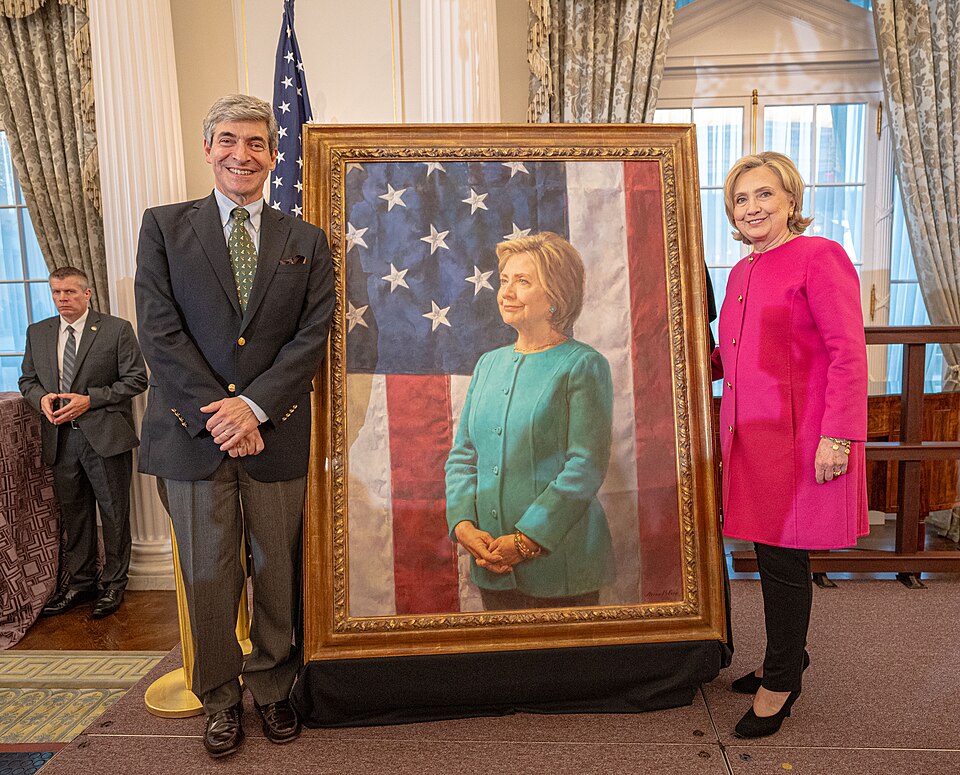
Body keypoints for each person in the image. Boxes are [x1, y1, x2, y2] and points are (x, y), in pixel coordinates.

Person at [134, 94, 334, 759]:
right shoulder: (164, 227)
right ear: (208, 148)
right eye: (227, 140)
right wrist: (222, 414)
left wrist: (253, 407)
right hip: (192, 438)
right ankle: (219, 699)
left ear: (274, 156)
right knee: (209, 577)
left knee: (277, 572)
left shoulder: (306, 240)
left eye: (255, 143)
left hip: (275, 434)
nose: (240, 155)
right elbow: (160, 334)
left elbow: (312, 337)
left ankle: (274, 687)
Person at [712, 152, 868, 738]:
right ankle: (788, 655)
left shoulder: (819, 256)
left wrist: (840, 436)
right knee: (769, 553)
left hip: (804, 436)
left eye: (764, 196)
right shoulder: (741, 271)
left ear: (790, 200)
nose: (752, 208)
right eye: (741, 199)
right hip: (749, 438)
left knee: (781, 560)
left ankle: (782, 678)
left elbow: (848, 352)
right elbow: (736, 354)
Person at [445, 232, 614, 610]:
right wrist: (463, 526)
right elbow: (463, 455)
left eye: (522, 281)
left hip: (562, 566)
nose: (506, 291)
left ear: (555, 295)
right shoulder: (488, 363)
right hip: (489, 560)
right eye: (504, 280)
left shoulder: (584, 364)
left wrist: (524, 542)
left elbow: (585, 466)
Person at [19, 267, 147, 619]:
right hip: (61, 440)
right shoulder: (38, 332)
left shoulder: (116, 329)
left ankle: (114, 586)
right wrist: (40, 398)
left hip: (104, 438)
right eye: (57, 292)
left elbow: (137, 380)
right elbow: (27, 379)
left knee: (114, 514)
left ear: (87, 294)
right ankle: (81, 583)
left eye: (70, 292)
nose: (63, 299)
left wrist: (90, 399)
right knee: (75, 517)